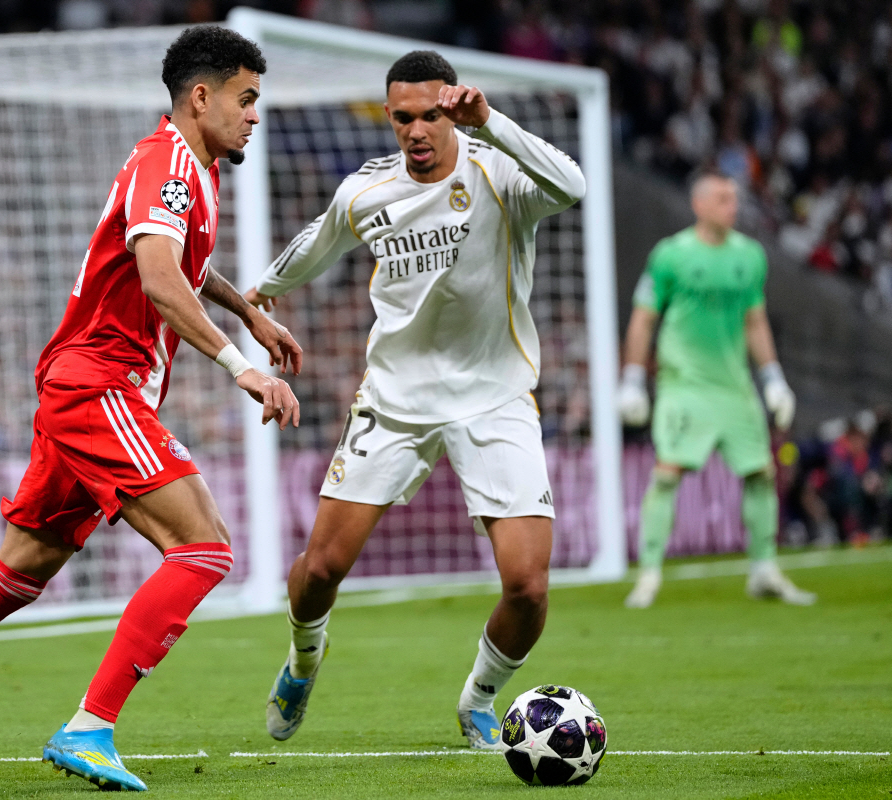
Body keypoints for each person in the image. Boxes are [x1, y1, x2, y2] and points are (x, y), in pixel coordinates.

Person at [0, 26, 303, 792]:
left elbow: (187, 266)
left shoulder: (192, 172)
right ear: (201, 97)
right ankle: (89, 727)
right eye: (246, 99)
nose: (254, 115)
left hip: (82, 386)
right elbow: (160, 278)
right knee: (203, 548)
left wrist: (250, 314)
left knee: (19, 571)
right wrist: (240, 365)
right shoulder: (168, 164)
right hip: (101, 383)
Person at [245, 51, 585, 751]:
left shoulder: (499, 173)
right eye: (403, 118)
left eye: (432, 115)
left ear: (455, 107)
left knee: (528, 586)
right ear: (389, 116)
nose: (417, 131)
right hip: (395, 399)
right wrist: (263, 290)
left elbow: (572, 185)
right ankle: (304, 659)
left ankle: (480, 698)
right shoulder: (368, 190)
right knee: (320, 570)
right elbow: (317, 241)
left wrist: (490, 122)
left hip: (495, 398)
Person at [618, 168, 815, 609]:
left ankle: (764, 570)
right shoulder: (671, 255)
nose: (733, 206)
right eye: (723, 199)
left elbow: (755, 320)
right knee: (667, 474)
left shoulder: (750, 255)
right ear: (699, 205)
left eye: (734, 198)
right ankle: (648, 574)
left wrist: (773, 379)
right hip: (684, 384)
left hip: (734, 385)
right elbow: (644, 318)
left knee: (761, 473)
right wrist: (632, 379)